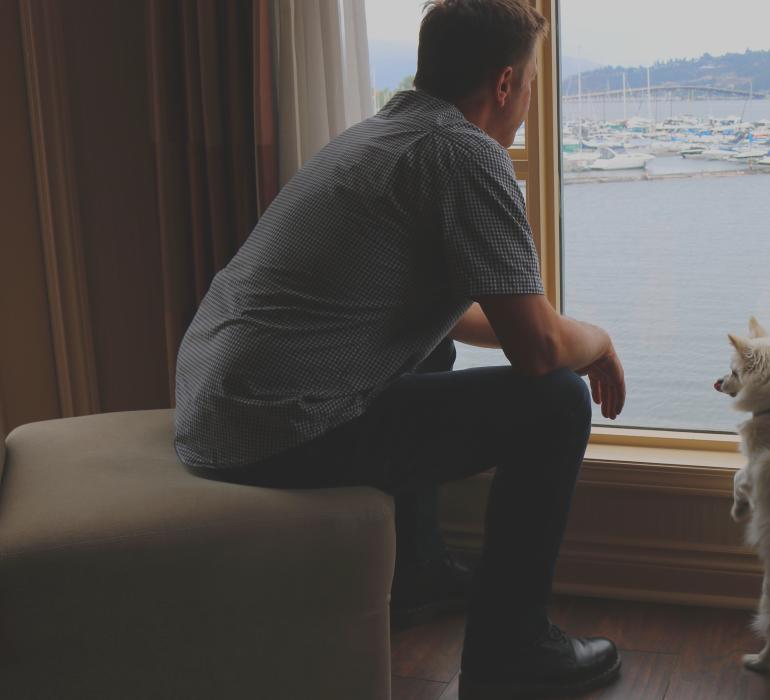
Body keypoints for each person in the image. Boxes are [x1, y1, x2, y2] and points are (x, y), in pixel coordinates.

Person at [172, 0, 626, 696]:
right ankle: (513, 651)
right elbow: (536, 351)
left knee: (430, 345)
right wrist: (597, 341)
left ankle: (416, 572)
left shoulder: (380, 134)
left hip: (219, 406)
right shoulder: (465, 155)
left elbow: (446, 316)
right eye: (532, 85)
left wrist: (559, 335)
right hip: (275, 429)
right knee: (558, 401)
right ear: (505, 84)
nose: (530, 101)